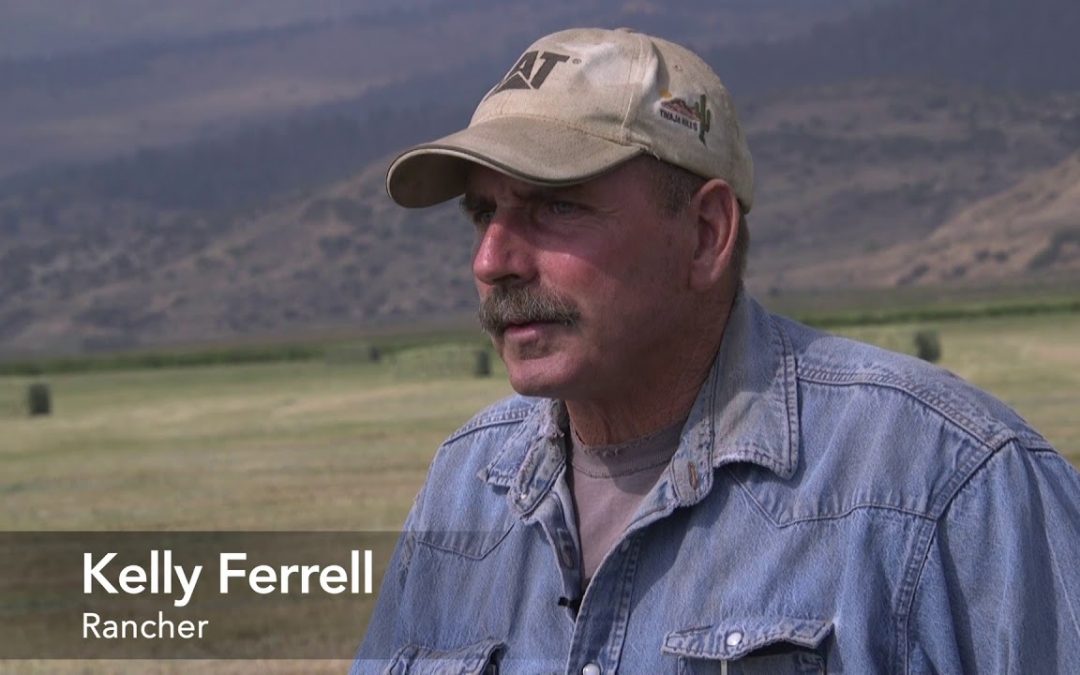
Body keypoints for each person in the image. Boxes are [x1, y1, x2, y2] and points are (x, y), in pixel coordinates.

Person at [353, 27, 1080, 673]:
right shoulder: (464, 486)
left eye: (556, 205)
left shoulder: (945, 482)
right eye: (483, 213)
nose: (492, 261)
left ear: (706, 235)